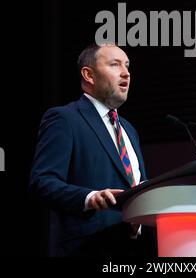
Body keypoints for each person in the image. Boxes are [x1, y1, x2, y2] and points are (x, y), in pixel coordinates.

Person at [29, 43, 155, 257]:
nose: (126, 73)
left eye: (127, 66)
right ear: (89, 74)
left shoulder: (129, 129)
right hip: (87, 248)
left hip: (133, 250)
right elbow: (42, 182)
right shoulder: (65, 119)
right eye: (115, 65)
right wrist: (89, 198)